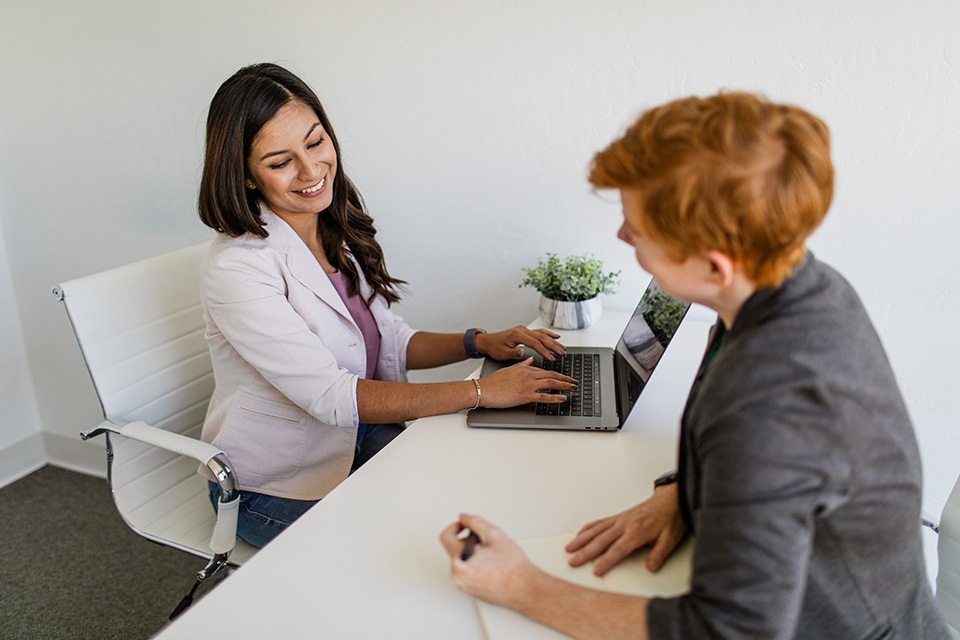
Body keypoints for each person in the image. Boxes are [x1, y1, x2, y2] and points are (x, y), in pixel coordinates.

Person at [441, 91, 951, 639]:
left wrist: (522, 586)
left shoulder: (770, 402)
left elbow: (727, 633)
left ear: (714, 267)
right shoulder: (797, 282)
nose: (621, 235)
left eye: (636, 229)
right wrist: (683, 494)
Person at [197, 62, 577, 548]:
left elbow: (390, 340)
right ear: (246, 177)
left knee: (478, 494)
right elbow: (333, 397)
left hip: (354, 440)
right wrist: (484, 392)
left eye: (315, 143)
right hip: (274, 485)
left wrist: (478, 342)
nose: (312, 171)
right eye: (280, 162)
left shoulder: (331, 229)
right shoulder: (236, 268)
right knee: (415, 550)